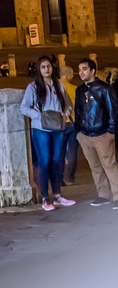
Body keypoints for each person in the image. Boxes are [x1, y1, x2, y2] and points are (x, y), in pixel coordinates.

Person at [20, 54, 76, 212]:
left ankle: (58, 195)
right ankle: (45, 197)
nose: (46, 69)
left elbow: (68, 104)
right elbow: (24, 107)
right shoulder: (33, 87)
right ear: (39, 69)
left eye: (49, 66)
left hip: (58, 128)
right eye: (43, 67)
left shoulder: (59, 85)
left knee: (56, 161)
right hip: (41, 129)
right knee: (44, 162)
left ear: (53, 68)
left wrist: (65, 114)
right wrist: (39, 116)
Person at [74, 57, 118, 207]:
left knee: (109, 165)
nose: (81, 72)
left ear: (93, 71)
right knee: (95, 166)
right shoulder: (80, 90)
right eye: (79, 70)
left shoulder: (105, 89)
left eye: (84, 69)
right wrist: (78, 131)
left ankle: (117, 195)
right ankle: (103, 194)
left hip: (102, 134)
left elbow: (113, 111)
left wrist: (111, 131)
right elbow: (78, 111)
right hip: (85, 134)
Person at [59, 64, 78, 187]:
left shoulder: (52, 87)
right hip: (72, 123)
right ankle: (69, 178)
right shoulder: (74, 89)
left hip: (57, 123)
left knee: (58, 152)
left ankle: (58, 178)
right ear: (68, 75)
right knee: (72, 151)